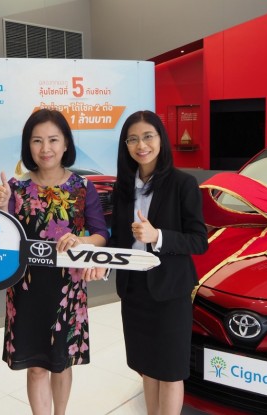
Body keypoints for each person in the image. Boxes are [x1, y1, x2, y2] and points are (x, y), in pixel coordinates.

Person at [0, 109, 109, 415]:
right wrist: (1, 207)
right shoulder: (15, 188)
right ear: (28, 146)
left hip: (68, 289)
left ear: (66, 143)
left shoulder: (83, 188)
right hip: (26, 289)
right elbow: (3, 237)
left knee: (61, 363)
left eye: (53, 140)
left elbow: (101, 235)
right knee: (36, 367)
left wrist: (81, 241)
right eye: (37, 141)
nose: (46, 148)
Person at [109, 110, 208, 414]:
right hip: (134, 290)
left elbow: (198, 240)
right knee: (147, 367)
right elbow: (118, 240)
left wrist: (158, 236)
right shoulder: (122, 188)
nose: (141, 145)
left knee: (170, 370)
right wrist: (95, 257)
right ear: (126, 145)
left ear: (161, 140)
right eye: (133, 139)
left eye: (148, 136)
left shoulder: (183, 184)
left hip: (170, 291)